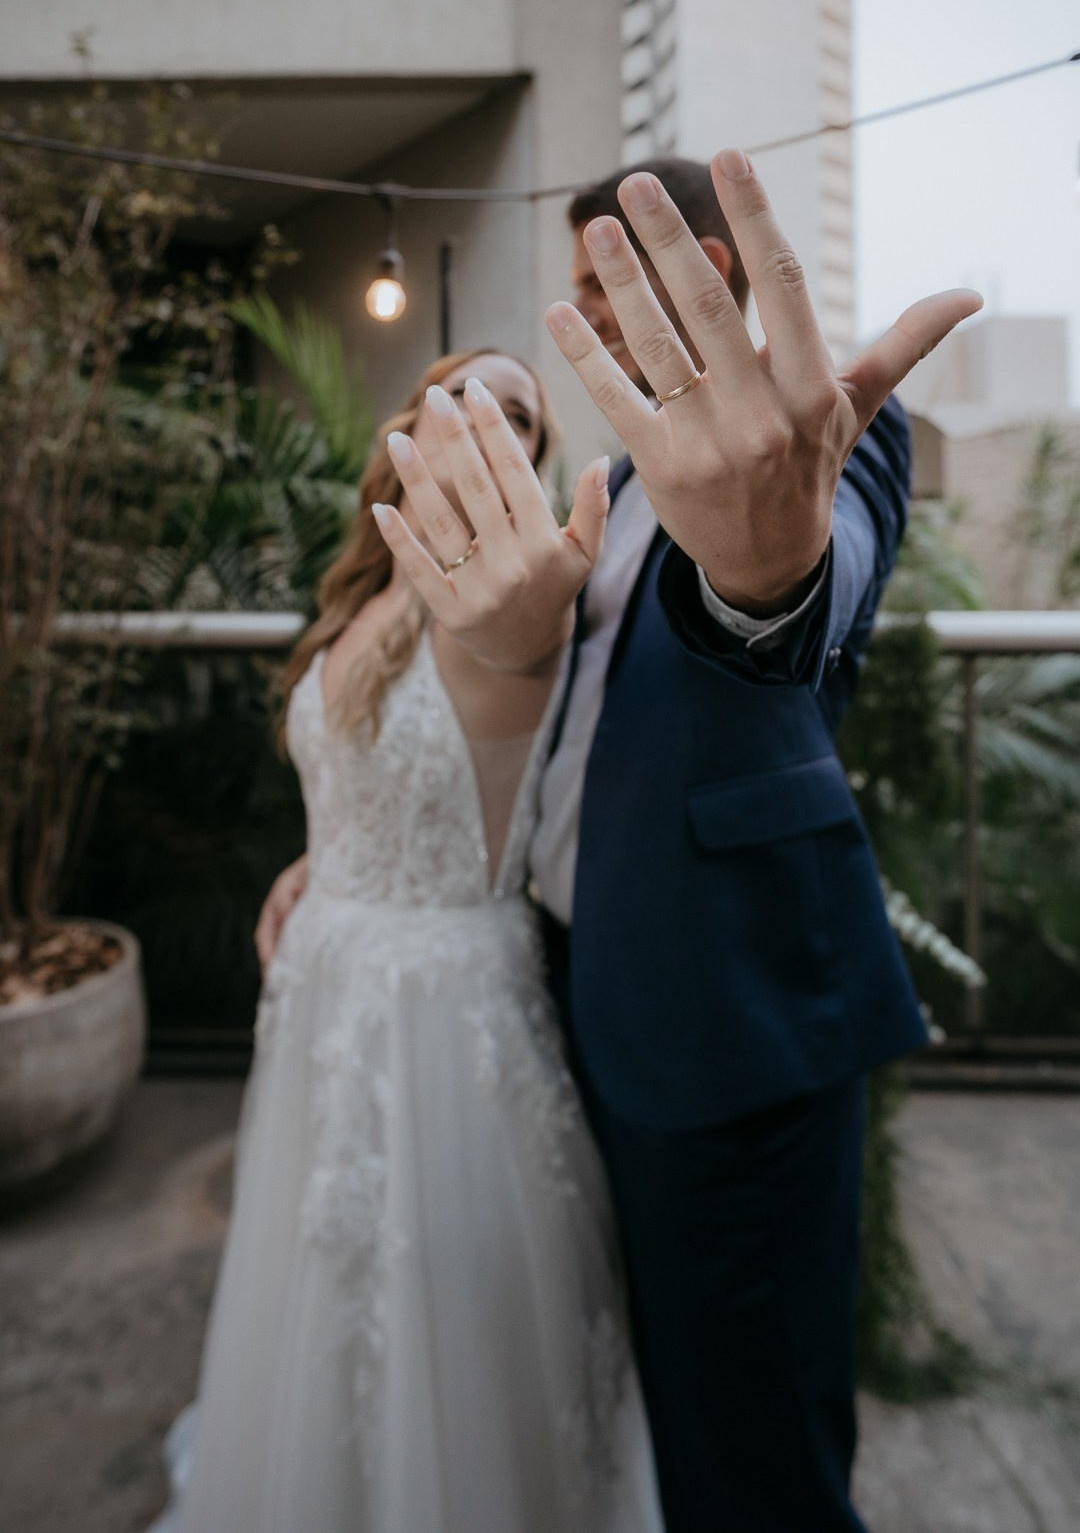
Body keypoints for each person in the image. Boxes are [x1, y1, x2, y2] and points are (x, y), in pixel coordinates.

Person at [360, 152, 982, 1532]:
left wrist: (769, 580)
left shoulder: (812, 434)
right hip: (577, 985)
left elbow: (808, 587)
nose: (589, 311)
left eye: (615, 279)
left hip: (729, 1019)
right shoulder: (615, 482)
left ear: (708, 273)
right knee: (653, 1395)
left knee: (753, 1447)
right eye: (577, 285)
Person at [151, 348, 663, 1533]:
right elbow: (366, 784)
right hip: (326, 991)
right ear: (408, 425)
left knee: (443, 1317)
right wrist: (313, 865)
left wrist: (541, 589)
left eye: (520, 411)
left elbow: (533, 634)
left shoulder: (513, 607)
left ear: (529, 458)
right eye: (459, 391)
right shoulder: (360, 600)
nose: (485, 413)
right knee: (315, 1289)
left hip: (446, 1017)